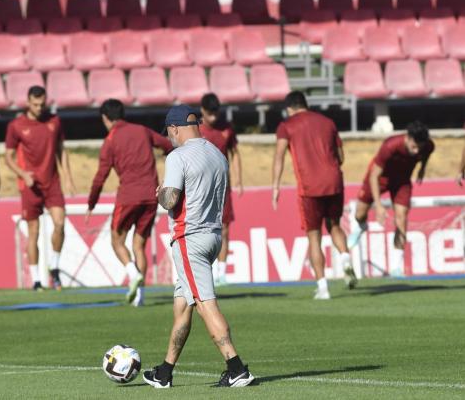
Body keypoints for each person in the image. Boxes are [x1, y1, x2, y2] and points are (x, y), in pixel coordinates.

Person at [142, 105, 254, 389]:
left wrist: (160, 194)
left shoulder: (177, 156)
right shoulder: (217, 153)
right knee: (183, 305)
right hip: (213, 236)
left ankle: (236, 367)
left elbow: (170, 200)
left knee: (204, 304)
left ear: (175, 128)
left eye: (169, 132)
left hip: (188, 239)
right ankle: (165, 372)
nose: (169, 138)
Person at [85, 99, 173, 306]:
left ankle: (133, 273)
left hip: (128, 197)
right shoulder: (142, 130)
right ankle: (139, 298)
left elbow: (101, 176)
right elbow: (168, 145)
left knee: (116, 241)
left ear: (105, 118)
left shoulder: (111, 140)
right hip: (151, 197)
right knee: (139, 245)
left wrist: (91, 203)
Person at [272, 91, 356, 299]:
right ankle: (345, 258)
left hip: (310, 187)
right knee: (334, 225)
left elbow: (279, 156)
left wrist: (276, 186)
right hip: (334, 181)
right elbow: (341, 157)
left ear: (289, 108)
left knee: (314, 236)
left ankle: (323, 288)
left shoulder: (287, 126)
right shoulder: (328, 122)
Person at [5, 86, 76, 291]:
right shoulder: (16, 125)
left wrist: (68, 177)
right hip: (30, 186)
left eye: (42, 104)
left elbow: (61, 150)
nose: (39, 108)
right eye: (35, 104)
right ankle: (36, 279)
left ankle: (54, 267)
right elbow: (8, 158)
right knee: (33, 232)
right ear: (28, 102)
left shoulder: (54, 121)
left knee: (60, 223)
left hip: (52, 182)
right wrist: (23, 174)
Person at [348, 121, 434, 277]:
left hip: (401, 182)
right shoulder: (390, 146)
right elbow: (374, 176)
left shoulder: (427, 146)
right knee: (359, 214)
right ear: (407, 138)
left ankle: (396, 267)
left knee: (401, 218)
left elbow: (427, 154)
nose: (416, 152)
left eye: (419, 148)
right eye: (414, 147)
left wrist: (422, 169)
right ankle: (361, 226)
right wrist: (379, 206)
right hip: (380, 179)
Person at [198, 93, 243, 286]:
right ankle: (205, 271)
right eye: (210, 114)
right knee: (203, 230)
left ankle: (222, 273)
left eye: (216, 113)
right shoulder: (196, 130)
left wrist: (239, 179)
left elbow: (235, 153)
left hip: (222, 187)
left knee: (224, 229)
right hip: (201, 188)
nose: (213, 118)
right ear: (202, 111)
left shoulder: (227, 128)